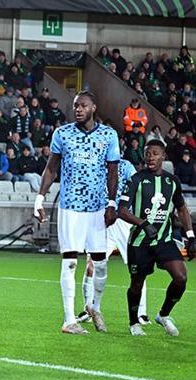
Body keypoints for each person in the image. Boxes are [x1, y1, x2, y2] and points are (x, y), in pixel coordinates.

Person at [34, 91, 121, 335]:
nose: (78, 109)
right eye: (75, 106)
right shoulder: (62, 134)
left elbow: (112, 171)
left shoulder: (108, 135)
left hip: (97, 209)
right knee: (70, 261)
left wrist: (112, 203)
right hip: (70, 206)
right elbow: (51, 169)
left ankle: (95, 307)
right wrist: (40, 198)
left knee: (100, 265)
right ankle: (69, 319)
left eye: (83, 105)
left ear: (94, 107)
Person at [119, 140, 196, 336]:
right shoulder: (136, 179)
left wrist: (190, 235)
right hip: (139, 242)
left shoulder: (172, 181)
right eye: (147, 153)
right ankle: (134, 322)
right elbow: (122, 211)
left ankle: (163, 315)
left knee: (181, 277)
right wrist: (143, 224)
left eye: (154, 153)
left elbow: (181, 208)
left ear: (163, 156)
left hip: (164, 239)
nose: (150, 157)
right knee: (137, 283)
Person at [77, 159, 152, 327]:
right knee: (91, 265)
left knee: (137, 267)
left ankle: (141, 312)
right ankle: (88, 309)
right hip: (101, 221)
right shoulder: (94, 164)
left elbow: (138, 187)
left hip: (123, 221)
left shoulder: (125, 166)